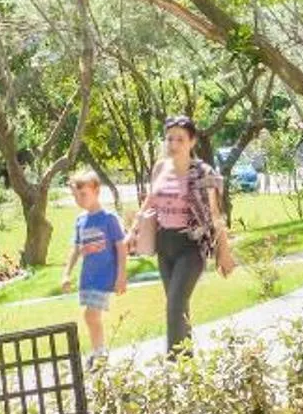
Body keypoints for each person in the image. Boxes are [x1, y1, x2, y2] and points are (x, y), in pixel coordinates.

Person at [134, 114, 235, 351]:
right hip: (164, 245)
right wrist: (132, 232)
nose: (173, 144)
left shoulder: (203, 172)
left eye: (180, 139)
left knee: (175, 304)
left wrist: (224, 252)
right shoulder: (160, 168)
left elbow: (215, 214)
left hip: (191, 246)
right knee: (177, 306)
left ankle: (174, 364)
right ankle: (187, 367)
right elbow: (149, 200)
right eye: (169, 139)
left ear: (191, 141)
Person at [65, 168, 128, 352]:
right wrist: (66, 274)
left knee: (91, 315)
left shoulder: (109, 219)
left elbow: (121, 247)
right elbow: (76, 249)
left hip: (105, 276)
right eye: (76, 196)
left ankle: (99, 354)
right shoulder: (80, 221)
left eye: (83, 194)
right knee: (90, 316)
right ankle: (98, 352)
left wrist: (121, 276)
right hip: (88, 277)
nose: (79, 199)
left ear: (96, 191)